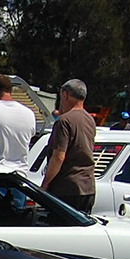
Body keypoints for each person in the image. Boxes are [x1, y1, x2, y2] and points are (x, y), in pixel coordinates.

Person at [41, 78, 97, 213]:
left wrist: (45, 184)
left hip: (66, 188)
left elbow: (59, 156)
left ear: (65, 94)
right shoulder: (90, 119)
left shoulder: (64, 121)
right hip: (88, 186)